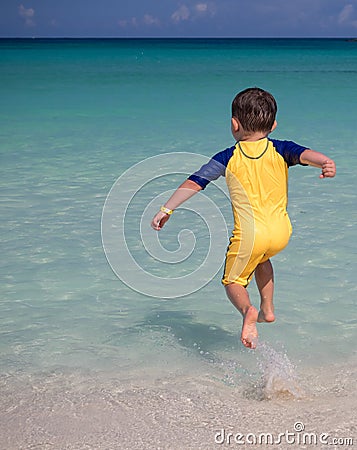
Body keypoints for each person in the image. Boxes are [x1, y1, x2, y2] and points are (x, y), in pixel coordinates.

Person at [151, 87, 336, 349]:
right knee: (262, 258)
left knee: (232, 281)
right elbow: (307, 155)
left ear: (234, 125)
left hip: (250, 236)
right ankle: (267, 309)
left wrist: (166, 209)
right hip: (281, 232)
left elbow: (196, 182)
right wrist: (326, 162)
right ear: (273, 125)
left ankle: (248, 311)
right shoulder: (281, 149)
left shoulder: (228, 157)